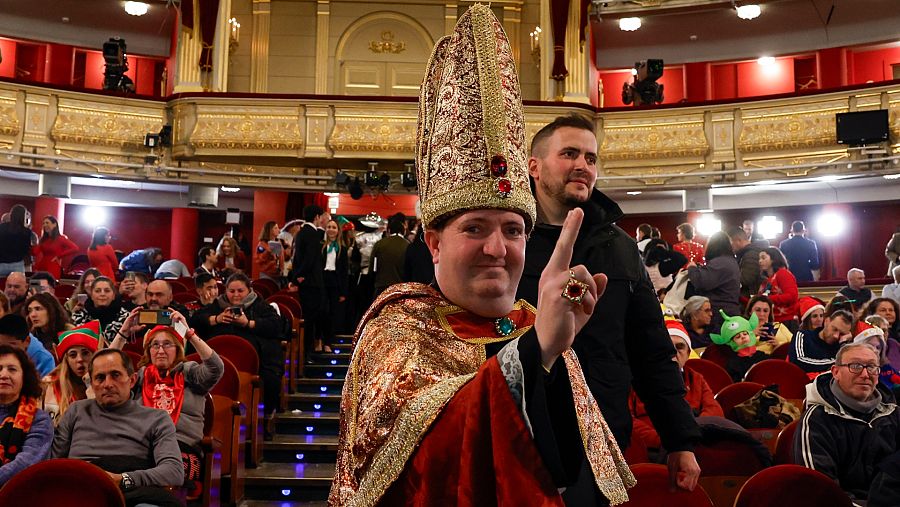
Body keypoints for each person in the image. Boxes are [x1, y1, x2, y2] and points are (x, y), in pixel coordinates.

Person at [333, 7, 638, 505]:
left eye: (513, 231)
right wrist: (536, 353)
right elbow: (428, 467)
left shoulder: (535, 322)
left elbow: (570, 475)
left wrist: (547, 352)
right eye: (474, 228)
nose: (497, 249)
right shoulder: (397, 328)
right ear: (434, 243)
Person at [521, 112, 701, 497]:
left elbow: (650, 348)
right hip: (519, 433)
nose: (582, 166)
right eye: (569, 153)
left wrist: (679, 439)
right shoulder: (507, 238)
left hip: (599, 437)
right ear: (533, 166)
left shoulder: (618, 246)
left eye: (590, 158)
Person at [110, 312, 223, 496]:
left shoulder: (191, 373)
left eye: (167, 344)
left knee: (155, 474)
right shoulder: (138, 378)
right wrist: (123, 332)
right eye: (155, 345)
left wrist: (189, 334)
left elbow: (216, 367)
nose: (160, 350)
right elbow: (105, 369)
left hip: (181, 449)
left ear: (178, 348)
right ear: (148, 351)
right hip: (142, 449)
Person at [52, 349, 183, 505]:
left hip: (135, 492)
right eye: (100, 378)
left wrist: (124, 479)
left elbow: (174, 471)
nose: (108, 384)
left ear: (132, 380)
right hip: (82, 490)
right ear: (92, 384)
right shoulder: (76, 410)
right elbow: (54, 462)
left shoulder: (157, 418)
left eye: (115, 375)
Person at [794, 342, 900, 504]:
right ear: (835, 372)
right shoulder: (816, 419)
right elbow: (820, 489)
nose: (865, 374)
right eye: (856, 366)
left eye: (872, 367)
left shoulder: (893, 413)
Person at [191, 273, 283, 433]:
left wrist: (249, 323)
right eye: (231, 291)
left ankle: (266, 418)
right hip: (217, 362)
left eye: (240, 291)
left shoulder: (260, 306)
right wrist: (217, 319)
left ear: (249, 290)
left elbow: (276, 326)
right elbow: (196, 320)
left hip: (255, 362)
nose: (235, 295)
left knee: (270, 378)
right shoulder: (217, 306)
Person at [629, 320, 723, 449]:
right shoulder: (635, 379)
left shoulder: (695, 378)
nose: (673, 352)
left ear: (688, 354)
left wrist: (691, 435)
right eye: (667, 346)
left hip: (695, 443)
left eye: (680, 347)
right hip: (651, 448)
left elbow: (714, 410)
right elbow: (628, 419)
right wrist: (667, 440)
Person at [0, 344, 53, 486]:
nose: (4, 375)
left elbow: (27, 462)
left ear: (24, 377)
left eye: (12, 369)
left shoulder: (39, 419)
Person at [41, 321, 99, 426]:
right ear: (66, 359)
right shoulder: (52, 385)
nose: (80, 359)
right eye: (73, 355)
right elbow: (49, 427)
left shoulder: (104, 383)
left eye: (85, 353)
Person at [292, 205, 329, 356]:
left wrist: (296, 276)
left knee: (309, 318)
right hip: (312, 283)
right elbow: (310, 259)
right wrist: (300, 276)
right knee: (310, 320)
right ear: (317, 217)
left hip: (306, 282)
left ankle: (307, 353)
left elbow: (297, 258)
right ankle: (307, 354)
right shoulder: (312, 233)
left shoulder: (301, 232)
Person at [686, 231, 740, 331]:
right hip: (728, 311)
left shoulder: (720, 263)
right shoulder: (730, 261)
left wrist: (692, 268)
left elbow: (701, 281)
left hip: (720, 315)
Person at [789, 309, 854, 378]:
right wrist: (836, 362)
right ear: (826, 321)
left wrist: (843, 343)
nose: (836, 336)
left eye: (842, 333)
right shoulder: (802, 335)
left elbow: (848, 366)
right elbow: (798, 361)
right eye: (834, 329)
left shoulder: (840, 345)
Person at [711, 310, 767, 382]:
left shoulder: (762, 356)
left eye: (745, 334)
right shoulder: (733, 364)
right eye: (738, 337)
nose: (743, 337)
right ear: (732, 342)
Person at [71, 276, 129, 345]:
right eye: (98, 291)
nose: (102, 294)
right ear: (91, 295)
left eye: (107, 291)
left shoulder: (126, 317)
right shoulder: (79, 315)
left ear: (113, 295)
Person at [322, 218, 349, 352]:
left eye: (334, 227)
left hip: (335, 281)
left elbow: (344, 271)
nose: (331, 229)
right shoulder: (321, 246)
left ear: (338, 231)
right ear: (325, 229)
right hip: (322, 280)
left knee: (332, 313)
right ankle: (319, 340)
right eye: (329, 227)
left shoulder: (342, 249)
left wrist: (343, 292)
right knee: (322, 312)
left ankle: (328, 342)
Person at [758, 246, 799, 332]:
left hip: (786, 320)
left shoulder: (783, 274)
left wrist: (767, 299)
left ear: (773, 259)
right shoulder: (766, 280)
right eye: (759, 258)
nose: (760, 261)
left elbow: (792, 296)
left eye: (763, 257)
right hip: (773, 320)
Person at [371, 212, 409, 297]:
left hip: (381, 288)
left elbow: (373, 268)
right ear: (403, 231)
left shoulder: (379, 244)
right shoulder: (408, 245)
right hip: (400, 289)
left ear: (389, 230)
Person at [23, 292, 72, 357]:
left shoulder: (68, 332)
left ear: (51, 310)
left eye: (38, 309)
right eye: (30, 311)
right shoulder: (30, 336)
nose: (33, 315)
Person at [33, 215, 79, 280]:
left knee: (52, 286)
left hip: (53, 266)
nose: (45, 225)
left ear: (54, 224)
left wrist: (59, 256)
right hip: (42, 266)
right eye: (43, 223)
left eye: (47, 223)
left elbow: (75, 248)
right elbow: (35, 252)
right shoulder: (43, 240)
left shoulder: (60, 238)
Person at [728, 226, 767, 302]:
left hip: (750, 299)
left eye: (730, 242)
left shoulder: (751, 255)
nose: (730, 246)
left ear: (738, 240)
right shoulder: (747, 254)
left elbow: (746, 279)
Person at [0, 205, 33, 276]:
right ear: (23, 216)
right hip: (17, 264)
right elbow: (26, 250)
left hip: (1, 263)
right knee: (18, 285)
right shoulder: (26, 232)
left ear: (11, 214)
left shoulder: (2, 227)